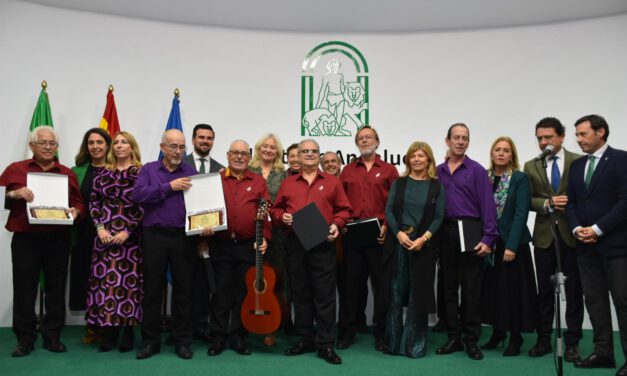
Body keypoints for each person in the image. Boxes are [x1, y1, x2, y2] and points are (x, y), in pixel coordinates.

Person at [1, 126, 83, 357]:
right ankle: (25, 339)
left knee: (56, 289)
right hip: (25, 238)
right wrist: (14, 194)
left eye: (52, 143)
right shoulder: (15, 170)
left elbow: (79, 203)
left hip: (58, 238)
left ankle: (52, 336)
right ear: (32, 146)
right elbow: (1, 196)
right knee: (24, 289)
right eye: (43, 142)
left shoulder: (67, 173)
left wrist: (76, 212)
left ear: (57, 147)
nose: (48, 147)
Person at [271, 139, 352, 365]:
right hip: (295, 243)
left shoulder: (333, 182)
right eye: (304, 151)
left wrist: (337, 223)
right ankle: (306, 338)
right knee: (301, 294)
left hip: (322, 243)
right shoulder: (288, 183)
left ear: (319, 155)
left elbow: (345, 209)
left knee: (325, 295)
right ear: (296, 156)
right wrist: (282, 217)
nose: (308, 154)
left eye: (312, 151)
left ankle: (325, 344)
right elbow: (276, 210)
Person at [566, 114, 627, 375]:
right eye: (577, 135)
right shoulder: (577, 166)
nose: (578, 139)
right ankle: (603, 353)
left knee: (623, 303)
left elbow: (625, 202)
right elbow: (572, 204)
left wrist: (598, 229)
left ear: (600, 132)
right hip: (585, 247)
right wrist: (578, 228)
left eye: (583, 134)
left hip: (616, 247)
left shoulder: (622, 160)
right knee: (594, 301)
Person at [132, 129, 199, 360]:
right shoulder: (149, 170)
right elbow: (138, 195)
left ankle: (182, 341)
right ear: (162, 147)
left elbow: (199, 205)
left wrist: (207, 223)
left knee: (183, 291)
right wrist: (169, 187)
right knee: (151, 291)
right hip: (154, 236)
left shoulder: (191, 172)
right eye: (173, 146)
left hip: (183, 237)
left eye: (181, 147)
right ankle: (150, 342)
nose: (178, 151)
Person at [435, 123, 498, 361]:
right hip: (445, 231)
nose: (461, 142)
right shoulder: (438, 171)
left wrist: (488, 237)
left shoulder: (478, 171)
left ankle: (471, 340)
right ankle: (454, 336)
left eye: (465, 138)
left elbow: (488, 206)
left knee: (472, 289)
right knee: (448, 288)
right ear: (447, 140)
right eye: (457, 138)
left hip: (471, 229)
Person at [523, 117, 584, 360]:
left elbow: (586, 195)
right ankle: (543, 338)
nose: (543, 142)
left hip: (572, 235)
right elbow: (526, 200)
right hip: (544, 236)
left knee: (574, 290)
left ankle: (573, 342)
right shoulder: (531, 165)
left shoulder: (578, 161)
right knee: (545, 292)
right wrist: (547, 203)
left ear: (561, 137)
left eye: (548, 137)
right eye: (539, 138)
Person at [206, 140, 272, 356]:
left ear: (249, 156)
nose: (239, 157)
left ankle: (238, 337)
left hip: (247, 245)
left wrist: (266, 238)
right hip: (221, 244)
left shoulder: (258, 181)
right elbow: (205, 208)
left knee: (243, 293)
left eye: (244, 153)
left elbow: (267, 212)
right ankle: (217, 337)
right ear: (227, 155)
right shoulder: (215, 179)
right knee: (221, 292)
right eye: (235, 152)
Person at [338, 125, 399, 351]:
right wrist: (342, 223)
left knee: (381, 286)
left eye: (369, 137)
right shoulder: (348, 170)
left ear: (377, 141)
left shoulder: (389, 170)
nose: (365, 141)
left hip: (379, 233)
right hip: (353, 232)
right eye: (361, 138)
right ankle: (348, 330)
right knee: (351, 284)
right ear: (357, 143)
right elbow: (340, 201)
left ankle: (381, 332)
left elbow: (395, 203)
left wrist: (386, 225)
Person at [383, 141, 445, 358]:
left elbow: (439, 217)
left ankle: (413, 346)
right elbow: (388, 211)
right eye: (413, 156)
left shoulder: (436, 185)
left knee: (417, 295)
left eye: (421, 156)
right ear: (408, 159)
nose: (417, 159)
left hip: (423, 246)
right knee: (396, 293)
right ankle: (392, 343)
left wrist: (423, 238)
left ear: (428, 159)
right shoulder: (399, 183)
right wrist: (398, 234)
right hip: (399, 242)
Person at [86, 131, 144, 353]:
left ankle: (128, 332)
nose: (119, 146)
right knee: (105, 285)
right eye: (117, 142)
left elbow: (144, 206)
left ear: (132, 147)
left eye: (124, 142)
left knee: (127, 286)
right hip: (104, 238)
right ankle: (108, 334)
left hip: (130, 240)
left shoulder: (141, 173)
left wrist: (128, 231)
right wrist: (100, 228)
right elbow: (94, 203)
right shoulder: (102, 174)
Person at [481, 137, 538, 356]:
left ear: (512, 155)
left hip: (512, 244)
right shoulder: (483, 177)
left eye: (506, 150)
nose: (501, 153)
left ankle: (516, 336)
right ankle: (498, 333)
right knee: (494, 291)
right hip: (490, 244)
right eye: (497, 150)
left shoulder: (519, 178)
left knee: (514, 292)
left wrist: (511, 246)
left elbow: (521, 212)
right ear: (492, 153)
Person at [182, 123, 225, 343]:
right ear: (193, 139)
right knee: (183, 284)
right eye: (201, 137)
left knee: (204, 284)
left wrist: (207, 236)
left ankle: (201, 326)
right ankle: (182, 331)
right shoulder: (181, 164)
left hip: (212, 237)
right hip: (182, 235)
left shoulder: (221, 169)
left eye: (209, 138)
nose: (205, 141)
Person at [69, 128, 111, 345]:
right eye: (91, 142)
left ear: (107, 145)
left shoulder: (116, 169)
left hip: (110, 236)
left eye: (100, 142)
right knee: (86, 280)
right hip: (84, 234)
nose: (95, 146)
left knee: (107, 282)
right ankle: (92, 326)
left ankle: (108, 327)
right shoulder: (76, 171)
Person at [248, 134, 292, 342]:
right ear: (258, 148)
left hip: (278, 232)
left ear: (278, 151)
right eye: (264, 146)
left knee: (277, 277)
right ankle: (248, 322)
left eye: (272, 147)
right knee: (251, 276)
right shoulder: (248, 170)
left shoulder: (284, 174)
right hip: (253, 230)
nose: (268, 150)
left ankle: (275, 324)